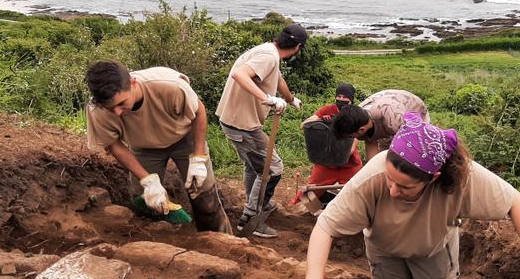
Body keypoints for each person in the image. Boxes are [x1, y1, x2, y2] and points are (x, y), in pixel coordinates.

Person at [291, 112, 520, 279]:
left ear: (433, 178)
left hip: (433, 253)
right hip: (384, 251)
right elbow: (326, 226)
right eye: (390, 180)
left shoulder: (464, 178)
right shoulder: (373, 178)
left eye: (404, 187)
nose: (392, 190)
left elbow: (516, 202)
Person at [85, 60, 231, 234]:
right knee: (144, 199)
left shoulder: (170, 86)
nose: (117, 112)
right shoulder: (97, 111)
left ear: (133, 82)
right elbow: (114, 145)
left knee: (204, 195)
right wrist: (147, 180)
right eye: (111, 108)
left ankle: (222, 239)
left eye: (121, 103)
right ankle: (164, 236)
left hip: (185, 138)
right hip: (143, 146)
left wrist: (199, 157)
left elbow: (199, 111)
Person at [216, 23, 308, 238]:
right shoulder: (268, 56)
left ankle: (254, 204)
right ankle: (252, 219)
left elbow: (276, 77)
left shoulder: (268, 52)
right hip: (242, 125)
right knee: (272, 168)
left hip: (234, 120)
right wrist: (267, 99)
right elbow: (240, 75)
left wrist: (290, 99)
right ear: (298, 47)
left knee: (254, 167)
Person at [300, 83, 363, 204]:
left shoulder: (357, 114)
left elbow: (351, 148)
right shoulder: (328, 109)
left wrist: (336, 123)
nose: (341, 99)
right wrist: (320, 121)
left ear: (351, 99)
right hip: (327, 163)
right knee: (308, 196)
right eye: (339, 96)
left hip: (349, 164)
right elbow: (303, 125)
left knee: (358, 194)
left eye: (345, 97)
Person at [332, 89, 429, 161]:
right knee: (382, 159)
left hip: (413, 109)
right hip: (382, 106)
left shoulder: (395, 120)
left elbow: (412, 147)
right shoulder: (357, 117)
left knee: (399, 157)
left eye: (351, 136)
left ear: (361, 130)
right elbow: (371, 149)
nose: (351, 138)